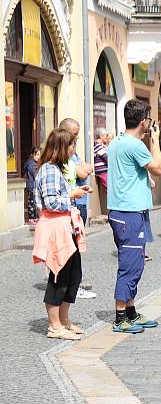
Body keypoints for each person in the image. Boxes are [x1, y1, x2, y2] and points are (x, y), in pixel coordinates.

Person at [106, 99, 161, 334]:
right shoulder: (136, 145)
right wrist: (156, 140)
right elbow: (158, 168)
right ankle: (120, 317)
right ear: (143, 122)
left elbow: (129, 172)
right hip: (129, 212)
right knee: (130, 265)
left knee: (135, 261)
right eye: (148, 120)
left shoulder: (118, 141)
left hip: (123, 209)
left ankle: (130, 312)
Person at [32, 129, 90, 340]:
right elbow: (52, 202)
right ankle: (54, 325)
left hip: (66, 226)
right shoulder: (48, 170)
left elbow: (60, 196)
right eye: (72, 145)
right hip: (56, 228)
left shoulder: (57, 169)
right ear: (61, 147)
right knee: (59, 276)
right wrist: (72, 194)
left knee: (74, 275)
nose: (74, 149)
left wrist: (75, 191)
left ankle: (64, 320)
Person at [60, 119, 96, 299]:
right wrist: (83, 168)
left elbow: (88, 167)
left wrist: (84, 168)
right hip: (71, 206)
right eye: (75, 133)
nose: (78, 137)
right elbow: (83, 172)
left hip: (79, 204)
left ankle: (74, 282)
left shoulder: (73, 151)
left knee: (77, 246)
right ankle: (71, 285)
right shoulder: (63, 153)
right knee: (71, 247)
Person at [93, 128, 110, 215]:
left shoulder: (103, 145)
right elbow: (106, 157)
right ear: (101, 136)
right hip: (102, 171)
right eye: (106, 136)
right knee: (110, 188)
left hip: (106, 170)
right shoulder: (97, 145)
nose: (108, 138)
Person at [24, 146, 41, 225]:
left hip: (30, 185)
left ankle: (34, 217)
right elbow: (36, 176)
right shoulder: (32, 164)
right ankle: (32, 218)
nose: (39, 157)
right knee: (32, 202)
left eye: (39, 154)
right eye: (37, 154)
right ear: (33, 154)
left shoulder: (29, 162)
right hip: (32, 186)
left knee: (33, 202)